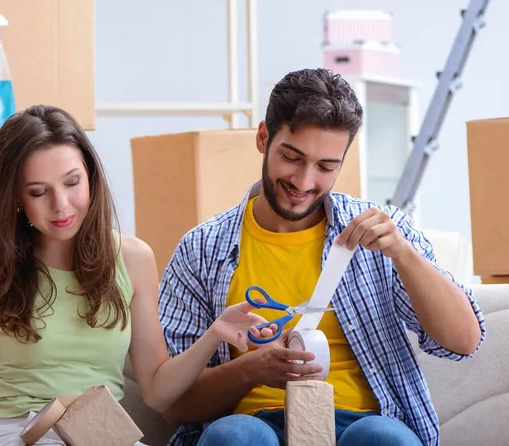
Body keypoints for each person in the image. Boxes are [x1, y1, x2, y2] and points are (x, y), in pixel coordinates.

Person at [0, 105, 276, 446]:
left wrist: (215, 334)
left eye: (72, 183)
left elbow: (156, 389)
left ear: (91, 177)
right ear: (16, 198)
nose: (61, 205)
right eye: (39, 192)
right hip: (17, 431)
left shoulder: (132, 258)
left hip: (100, 433)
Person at [158, 68, 486, 446]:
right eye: (292, 158)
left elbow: (464, 343)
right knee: (232, 436)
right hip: (255, 425)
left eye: (326, 167)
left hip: (364, 424)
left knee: (383, 438)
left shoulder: (383, 233)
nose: (304, 182)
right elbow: (175, 407)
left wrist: (404, 254)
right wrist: (250, 370)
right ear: (263, 137)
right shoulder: (202, 249)